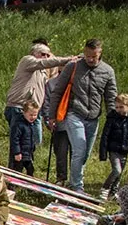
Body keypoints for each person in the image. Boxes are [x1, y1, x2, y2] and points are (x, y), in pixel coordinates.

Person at [42, 39, 118, 192]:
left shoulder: (107, 71)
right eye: (87, 56)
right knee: (79, 149)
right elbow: (58, 91)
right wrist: (51, 116)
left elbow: (111, 97)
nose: (90, 59)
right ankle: (77, 186)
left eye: (94, 57)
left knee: (85, 154)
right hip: (74, 113)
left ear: (100, 53)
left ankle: (75, 178)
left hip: (94, 117)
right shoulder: (73, 66)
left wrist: (113, 119)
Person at [4, 39, 75, 138]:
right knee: (19, 141)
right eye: (43, 54)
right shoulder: (27, 60)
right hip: (19, 107)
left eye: (48, 55)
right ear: (34, 53)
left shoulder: (42, 72)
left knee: (35, 142)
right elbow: (46, 63)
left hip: (35, 110)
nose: (46, 57)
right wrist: (69, 59)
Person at [98, 93, 128, 200]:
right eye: (117, 107)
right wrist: (103, 152)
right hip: (114, 150)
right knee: (116, 170)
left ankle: (113, 192)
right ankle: (105, 188)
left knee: (120, 173)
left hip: (125, 150)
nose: (118, 109)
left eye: (121, 107)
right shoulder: (112, 119)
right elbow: (105, 136)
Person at [9, 99, 41, 176]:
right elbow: (14, 139)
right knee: (17, 171)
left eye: (35, 115)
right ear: (24, 113)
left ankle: (30, 186)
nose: (33, 117)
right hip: (20, 154)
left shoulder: (31, 125)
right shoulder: (18, 125)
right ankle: (12, 186)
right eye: (31, 115)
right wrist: (17, 152)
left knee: (31, 170)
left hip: (28, 154)